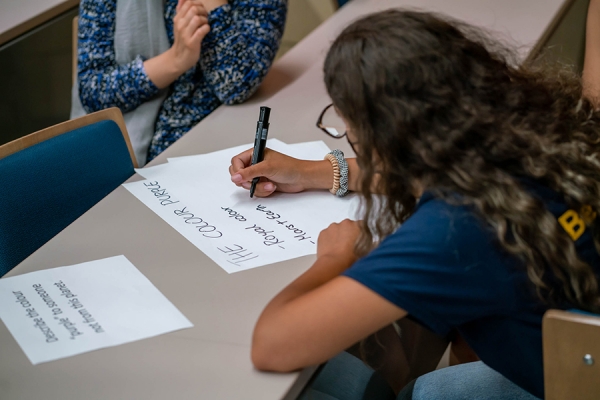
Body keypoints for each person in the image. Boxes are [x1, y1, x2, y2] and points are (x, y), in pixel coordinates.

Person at [228, 10, 600, 400]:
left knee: (415, 395)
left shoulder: (457, 230)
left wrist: (335, 259)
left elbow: (272, 345)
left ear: (385, 138)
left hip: (576, 382)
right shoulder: (534, 125)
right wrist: (314, 172)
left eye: (351, 135)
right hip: (578, 347)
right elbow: (424, 170)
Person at [72, 0, 286, 166]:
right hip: (132, 153)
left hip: (220, 144)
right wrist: (175, 60)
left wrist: (214, 10)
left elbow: (236, 86)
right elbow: (94, 92)